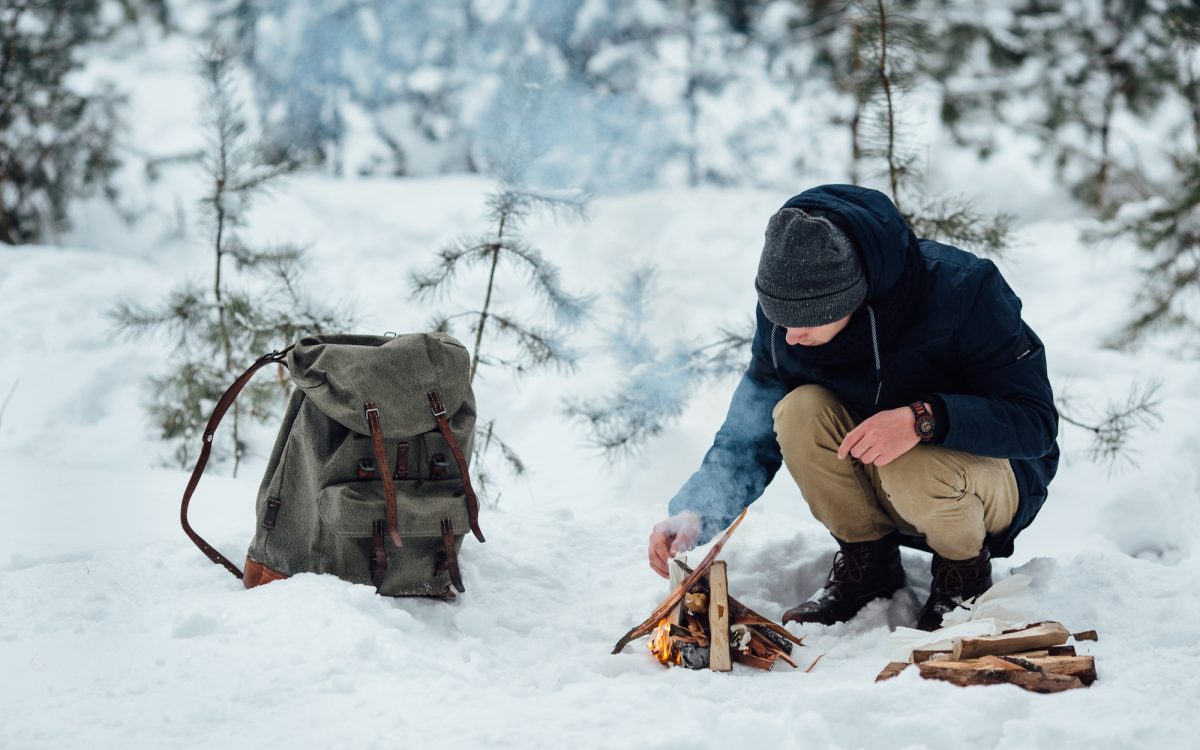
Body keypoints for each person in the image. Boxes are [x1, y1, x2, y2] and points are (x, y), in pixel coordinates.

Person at [647, 184, 1059, 631]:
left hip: (991, 482)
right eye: (777, 316)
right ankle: (869, 569)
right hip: (882, 476)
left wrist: (924, 419)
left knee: (913, 463)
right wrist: (698, 511)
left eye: (804, 321)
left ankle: (962, 580)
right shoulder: (789, 310)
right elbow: (750, 428)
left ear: (850, 298)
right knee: (795, 411)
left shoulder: (964, 289)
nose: (789, 336)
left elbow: (1035, 423)